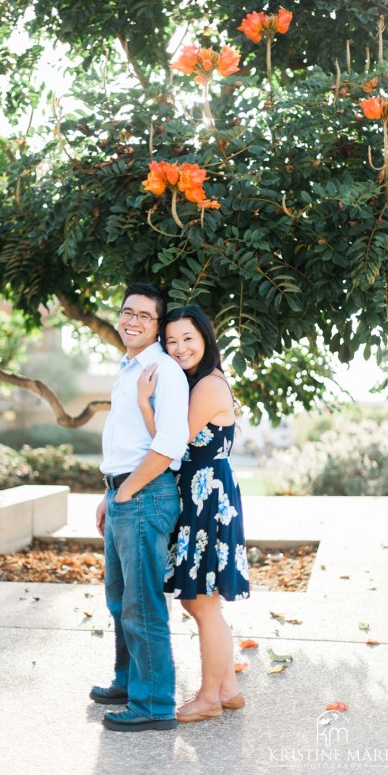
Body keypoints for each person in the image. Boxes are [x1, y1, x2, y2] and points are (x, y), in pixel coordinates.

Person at [137, 304, 250, 724]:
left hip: (207, 497)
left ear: (205, 338)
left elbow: (170, 445)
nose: (180, 347)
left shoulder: (206, 387)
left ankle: (208, 698)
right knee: (201, 602)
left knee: (200, 602)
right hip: (203, 494)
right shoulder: (198, 382)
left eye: (188, 338)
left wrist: (144, 404)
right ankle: (228, 688)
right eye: (172, 340)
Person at [90, 283, 190, 732]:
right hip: (124, 493)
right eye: (127, 311)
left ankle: (154, 704)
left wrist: (127, 492)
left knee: (142, 603)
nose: (132, 320)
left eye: (144, 316)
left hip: (145, 495)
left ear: (157, 325)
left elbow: (170, 445)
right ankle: (129, 681)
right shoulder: (129, 368)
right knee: (118, 599)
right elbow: (126, 439)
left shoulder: (163, 370)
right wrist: (108, 493)